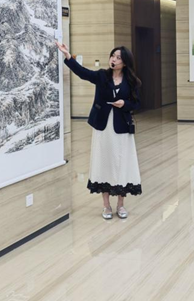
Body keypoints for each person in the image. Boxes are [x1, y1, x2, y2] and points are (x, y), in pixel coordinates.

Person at [58, 43, 142, 220]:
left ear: (125, 62)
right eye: (113, 56)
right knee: (104, 161)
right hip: (103, 126)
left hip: (122, 127)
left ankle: (120, 204)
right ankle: (106, 205)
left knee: (121, 163)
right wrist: (67, 56)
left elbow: (136, 103)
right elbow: (83, 73)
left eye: (118, 58)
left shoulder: (131, 81)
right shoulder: (102, 76)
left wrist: (124, 104)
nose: (114, 60)